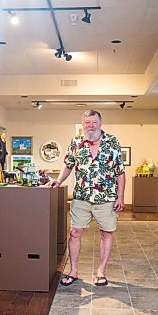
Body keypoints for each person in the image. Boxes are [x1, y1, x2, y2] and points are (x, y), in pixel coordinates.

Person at [49, 110, 126, 287]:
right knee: (75, 232)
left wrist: (120, 196)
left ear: (100, 123)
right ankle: (73, 271)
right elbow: (68, 165)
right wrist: (58, 181)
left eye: (94, 122)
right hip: (81, 196)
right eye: (87, 122)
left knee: (106, 233)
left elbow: (120, 172)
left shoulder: (112, 142)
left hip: (106, 197)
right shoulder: (76, 142)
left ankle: (101, 272)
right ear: (83, 124)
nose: (90, 126)